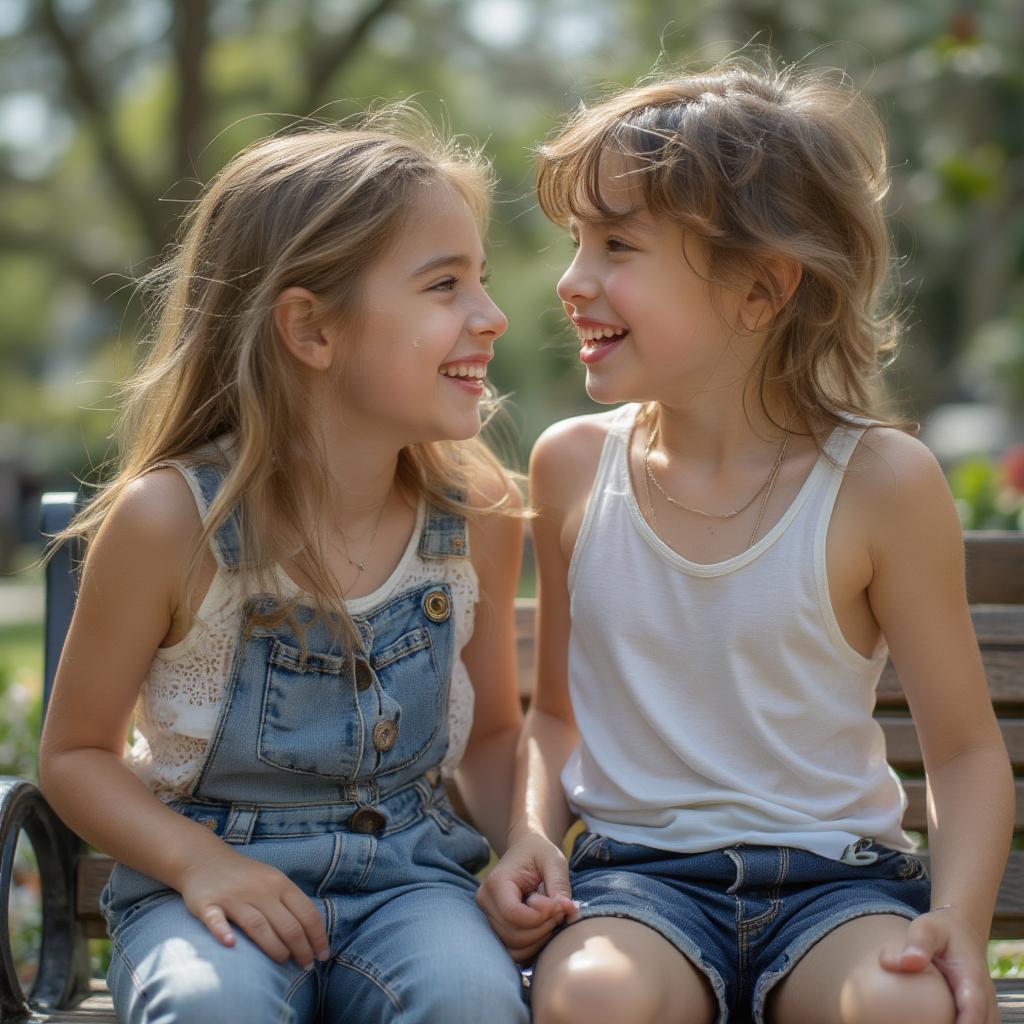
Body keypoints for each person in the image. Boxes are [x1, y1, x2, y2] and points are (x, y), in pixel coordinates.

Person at [477, 57, 1012, 1024]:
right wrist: (529, 834)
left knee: (899, 1009)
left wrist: (959, 922)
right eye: (575, 243)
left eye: (617, 246)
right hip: (635, 885)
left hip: (839, 888)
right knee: (592, 998)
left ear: (761, 289)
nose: (570, 280)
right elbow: (556, 717)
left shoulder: (882, 484)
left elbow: (968, 751)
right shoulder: (569, 468)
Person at [39, 117, 529, 1024]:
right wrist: (200, 863)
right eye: (444, 286)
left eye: (481, 281)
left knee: (470, 1000)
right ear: (309, 328)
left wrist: (526, 836)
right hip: (210, 886)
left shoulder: (475, 516)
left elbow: (495, 736)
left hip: (412, 885)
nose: (490, 316)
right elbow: (73, 758)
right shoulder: (171, 522)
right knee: (209, 1009)